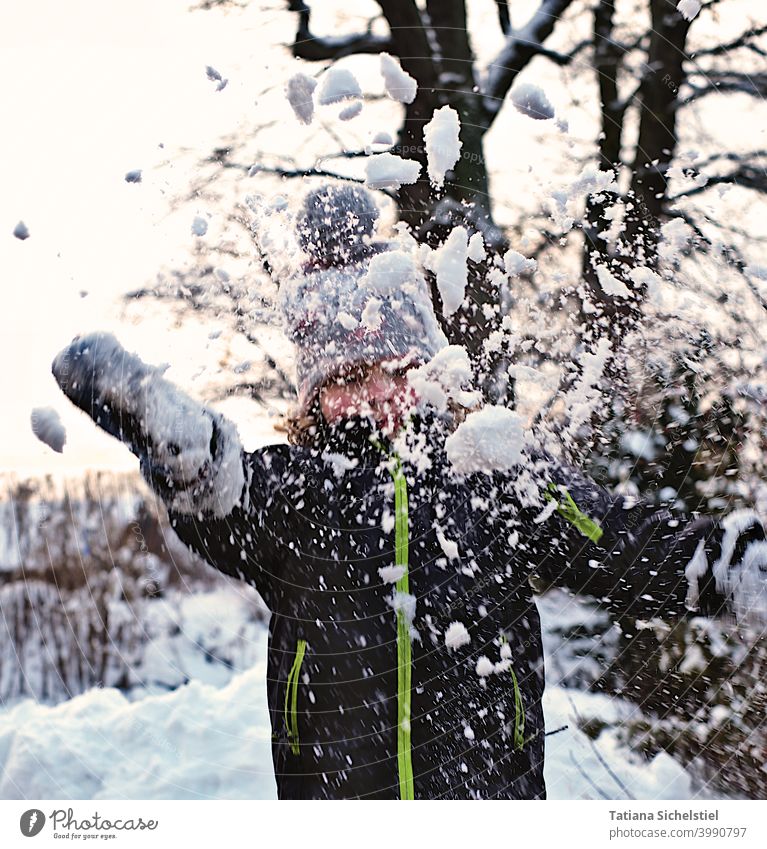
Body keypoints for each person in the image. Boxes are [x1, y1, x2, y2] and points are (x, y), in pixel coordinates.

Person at [52, 183, 767, 800]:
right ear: (313, 397)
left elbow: (621, 542)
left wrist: (738, 565)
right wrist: (170, 433)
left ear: (424, 365)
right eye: (344, 379)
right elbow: (219, 494)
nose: (371, 396)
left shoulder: (493, 475)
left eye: (389, 370)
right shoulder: (294, 493)